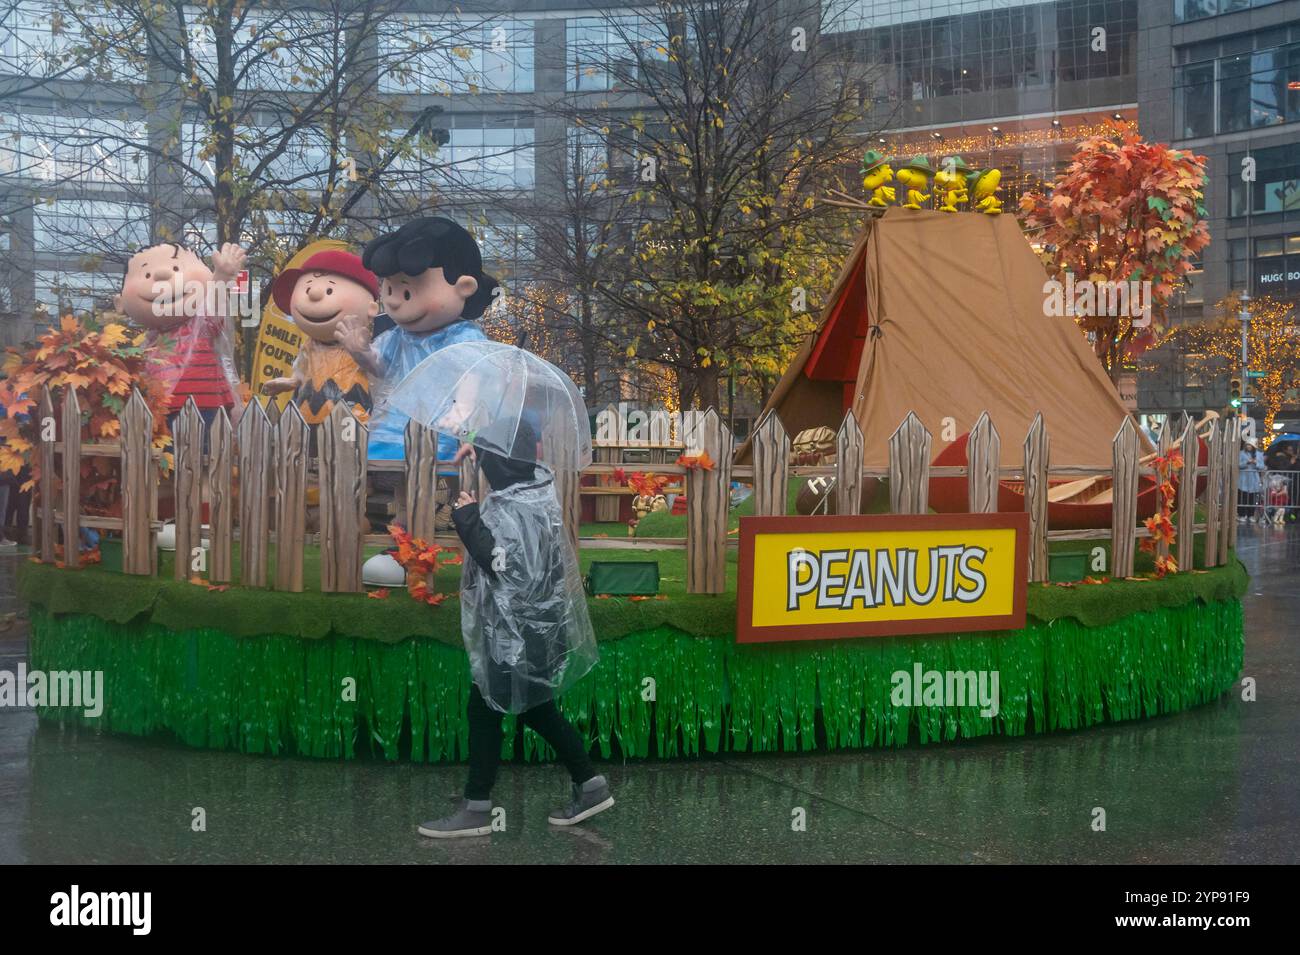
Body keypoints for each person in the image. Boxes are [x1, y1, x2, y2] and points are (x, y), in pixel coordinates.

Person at [419, 436, 611, 839]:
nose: (486, 467)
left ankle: (477, 807)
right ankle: (589, 785)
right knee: (535, 709)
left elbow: (502, 563)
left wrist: (468, 516)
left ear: (503, 463)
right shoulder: (533, 491)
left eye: (491, 458)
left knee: (486, 709)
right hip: (529, 634)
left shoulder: (516, 506)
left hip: (516, 637)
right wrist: (480, 449)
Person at [1238, 440, 1266, 523]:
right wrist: (1247, 462)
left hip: (1254, 479)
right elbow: (1239, 464)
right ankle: (1242, 515)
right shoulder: (1241, 453)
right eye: (1247, 445)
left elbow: (1262, 466)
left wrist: (1256, 463)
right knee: (1243, 497)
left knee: (1252, 498)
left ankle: (1251, 515)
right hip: (1243, 479)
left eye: (1250, 445)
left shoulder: (1259, 454)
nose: (1248, 447)